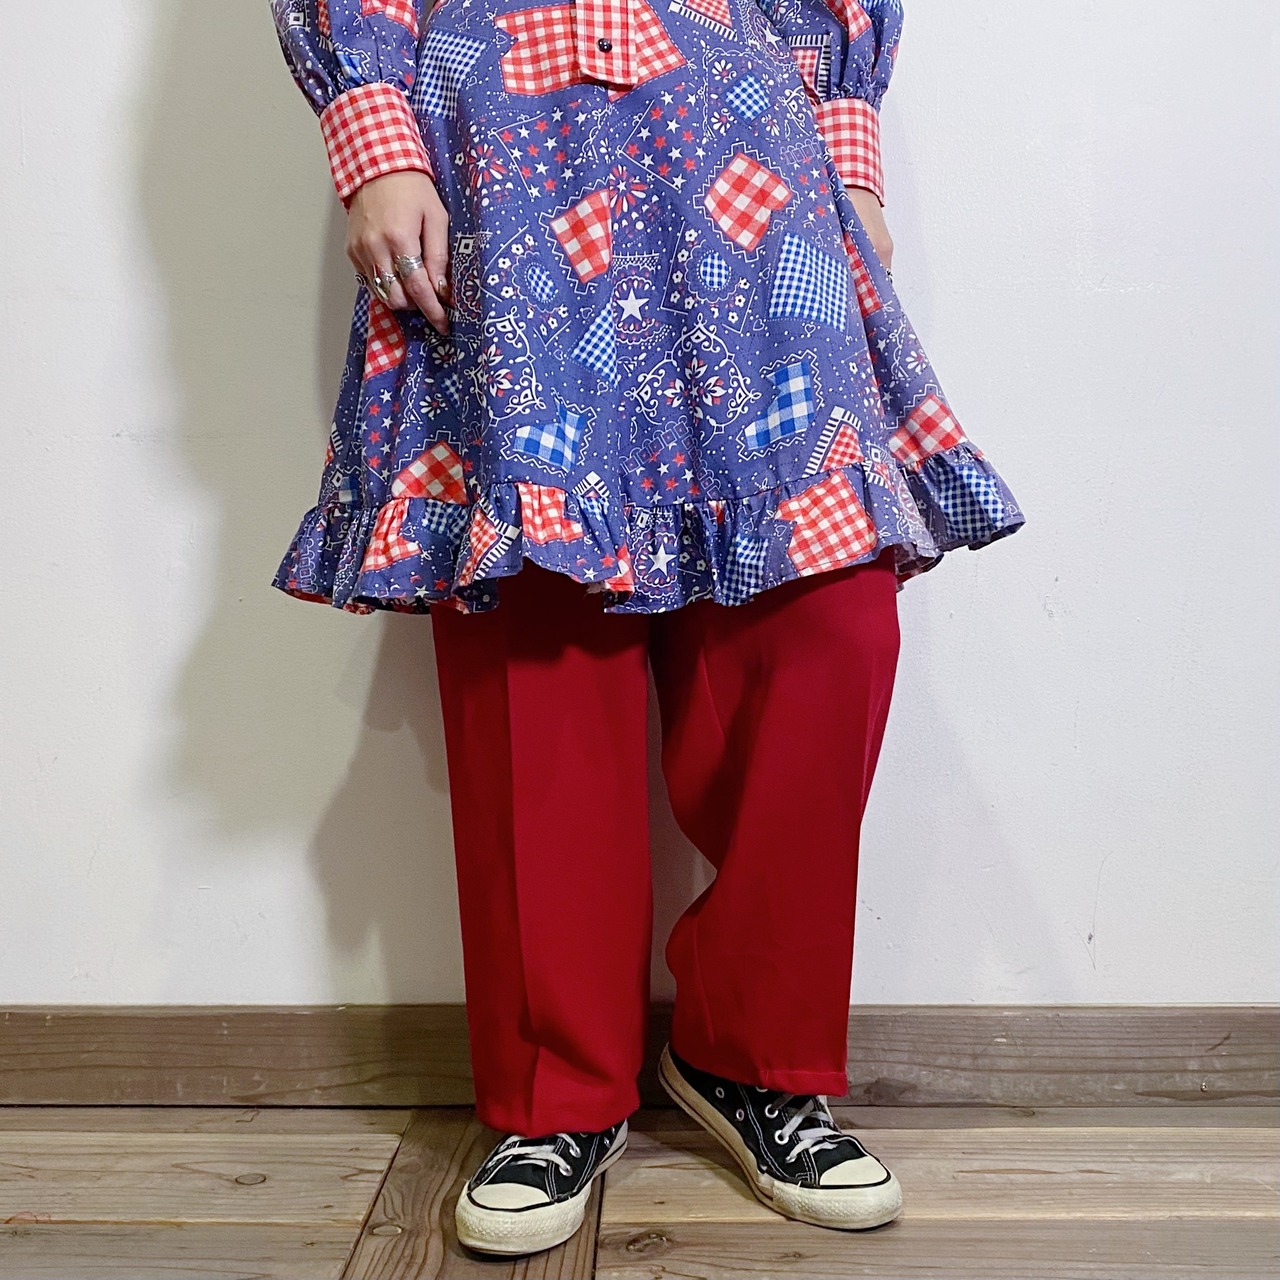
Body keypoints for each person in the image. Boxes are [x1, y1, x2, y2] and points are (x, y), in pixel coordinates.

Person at [268, 0, 1025, 1257]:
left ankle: (753, 1056)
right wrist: (376, 140)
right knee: (541, 625)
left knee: (823, 618)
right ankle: (555, 1092)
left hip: (746, 143)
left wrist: (847, 153)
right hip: (500, 147)